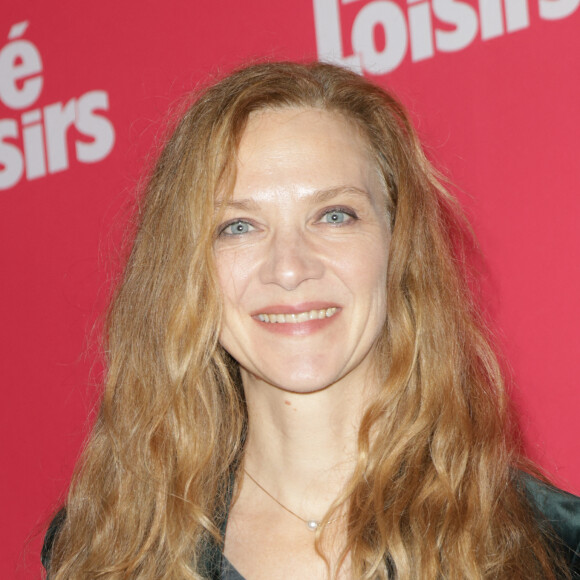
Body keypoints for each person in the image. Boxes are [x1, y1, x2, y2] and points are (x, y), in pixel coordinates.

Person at [42, 61, 580, 579]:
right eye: (238, 226)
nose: (290, 268)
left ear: (400, 247)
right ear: (184, 267)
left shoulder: (555, 545)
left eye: (334, 215)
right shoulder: (102, 553)